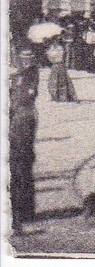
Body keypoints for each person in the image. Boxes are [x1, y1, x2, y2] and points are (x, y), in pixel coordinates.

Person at [8, 76, 38, 225]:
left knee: (19, 181)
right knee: (23, 180)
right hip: (22, 152)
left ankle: (21, 215)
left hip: (18, 152)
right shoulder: (28, 112)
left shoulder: (22, 115)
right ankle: (26, 214)